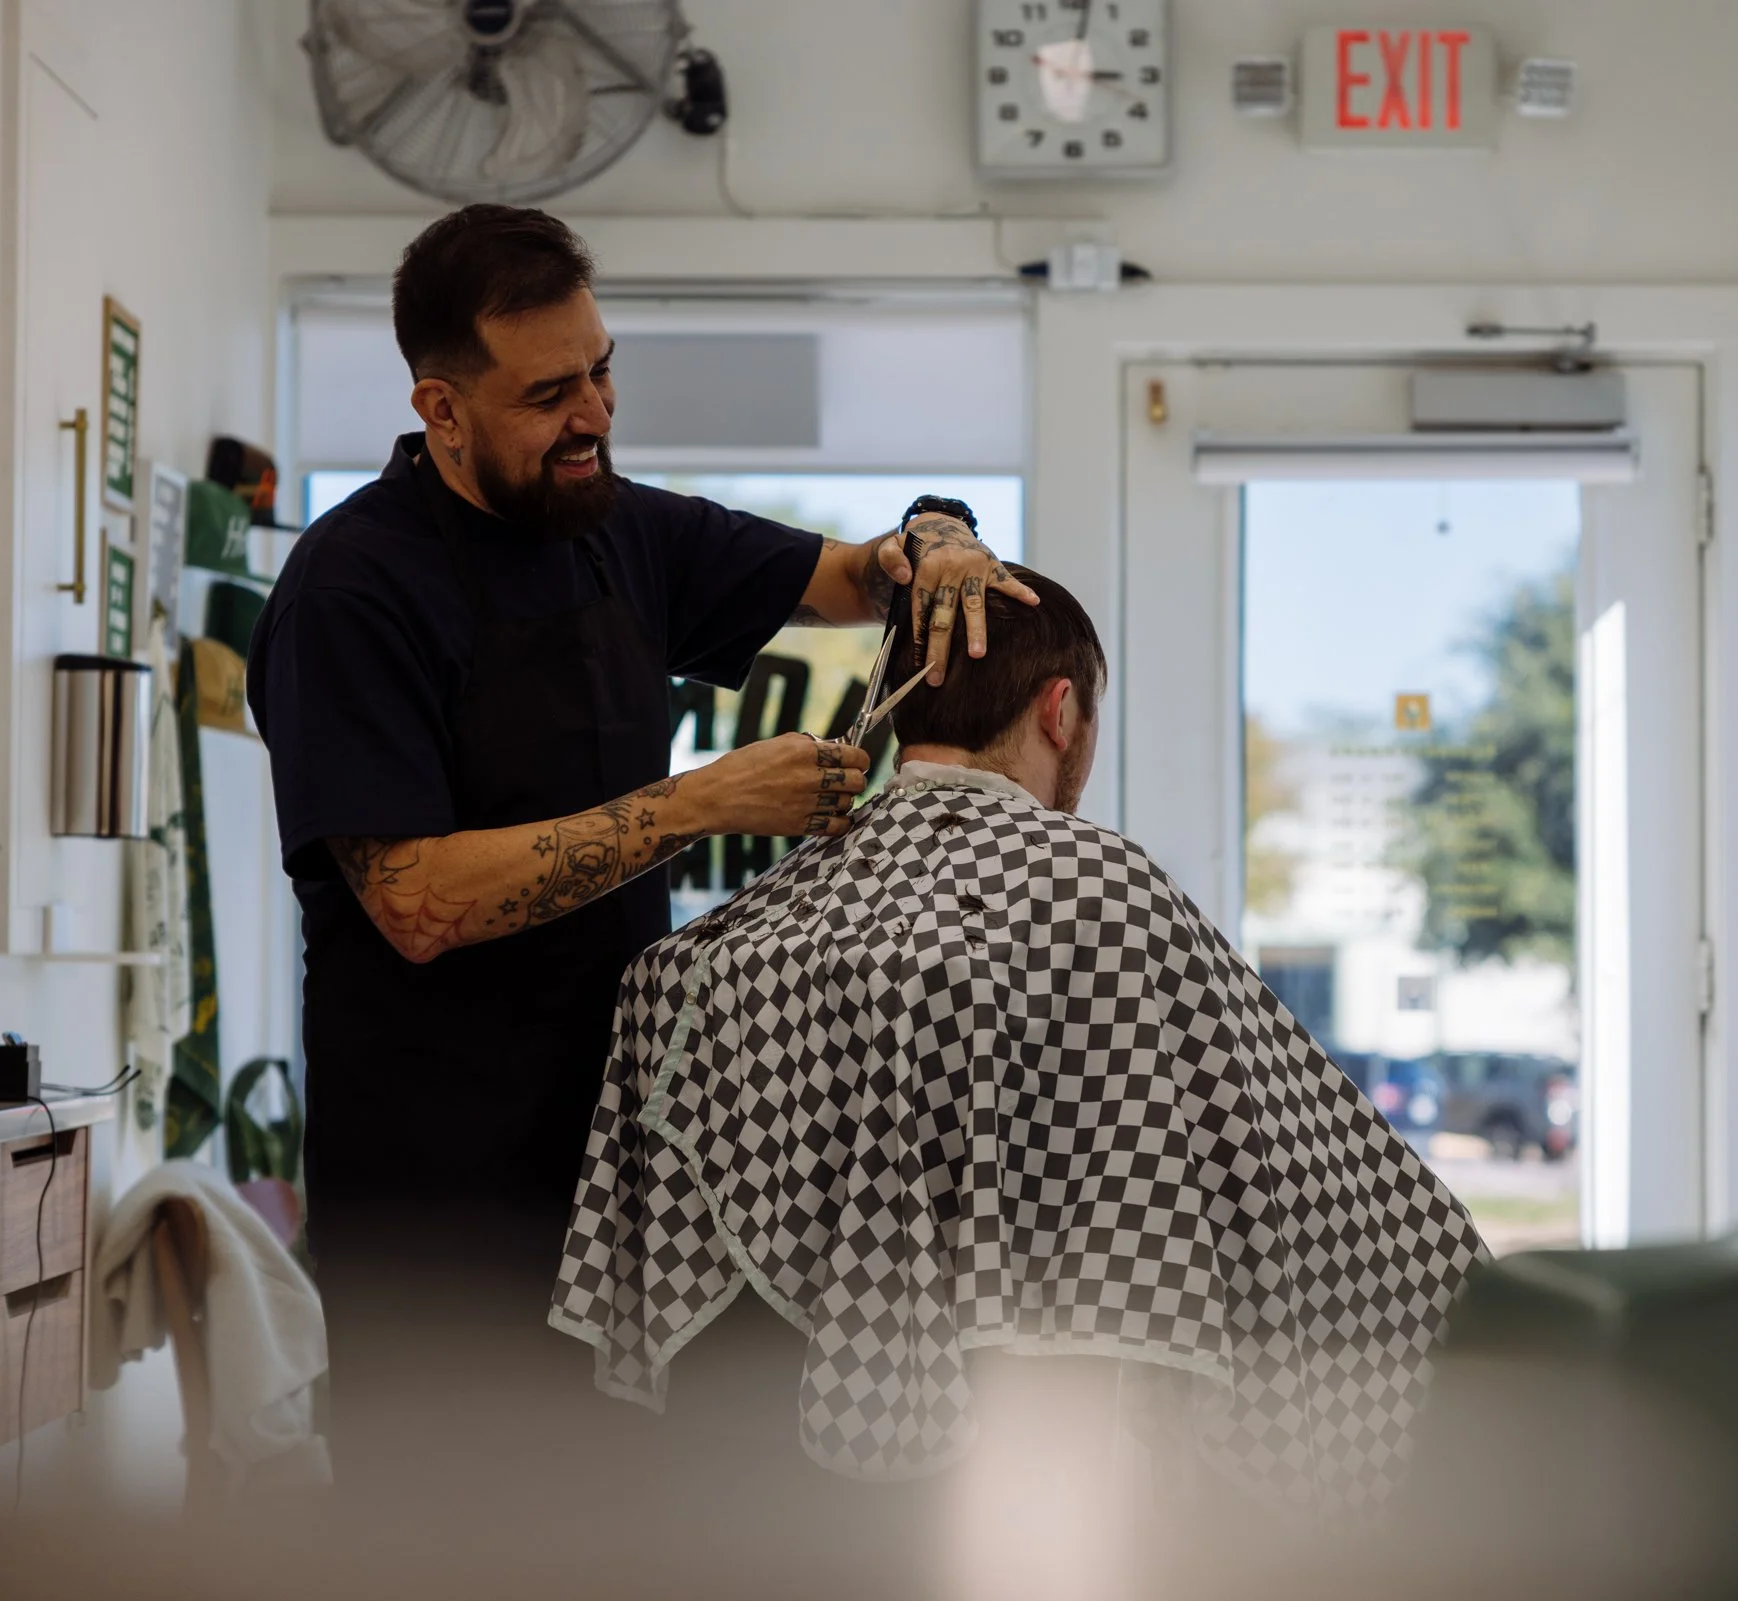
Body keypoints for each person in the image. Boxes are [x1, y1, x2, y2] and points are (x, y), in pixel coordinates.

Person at [245, 204, 1033, 1459]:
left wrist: (937, 538)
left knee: (619, 1521)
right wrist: (704, 801)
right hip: (438, 1190)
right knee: (451, 1528)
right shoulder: (352, 589)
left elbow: (848, 576)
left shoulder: (612, 523)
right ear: (440, 409)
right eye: (548, 391)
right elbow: (411, 899)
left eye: (603, 370)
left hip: (617, 1163)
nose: (594, 415)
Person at [552, 567, 1487, 1518]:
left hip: (756, 1495)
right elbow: (1316, 1177)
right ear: (1060, 710)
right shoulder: (1111, 899)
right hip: (1051, 1473)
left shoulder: (726, 947)